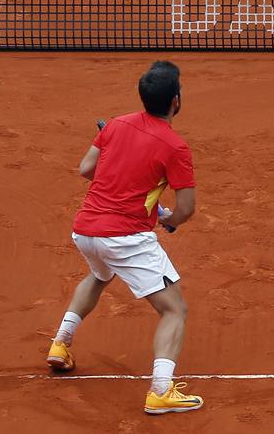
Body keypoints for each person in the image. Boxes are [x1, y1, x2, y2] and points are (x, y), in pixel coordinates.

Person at [45, 61, 204, 414]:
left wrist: (130, 191)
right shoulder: (175, 147)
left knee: (100, 274)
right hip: (125, 238)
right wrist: (170, 221)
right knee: (174, 310)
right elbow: (187, 208)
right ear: (175, 101)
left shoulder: (116, 124)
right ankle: (160, 390)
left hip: (86, 231)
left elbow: (87, 169)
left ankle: (60, 343)